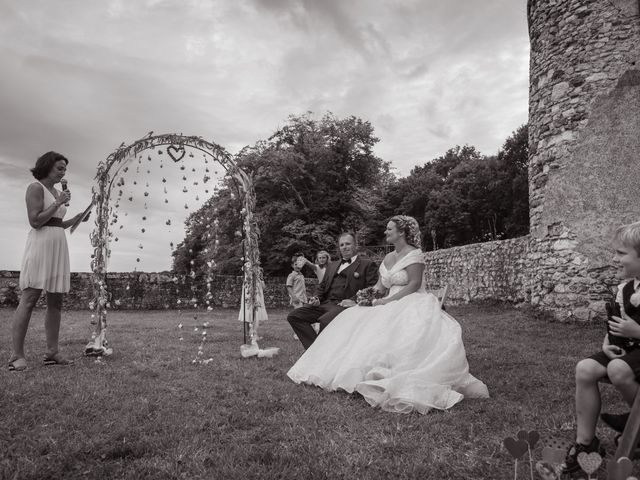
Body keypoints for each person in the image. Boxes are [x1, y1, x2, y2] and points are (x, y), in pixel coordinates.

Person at [287, 216, 489, 414]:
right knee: (354, 316)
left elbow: (414, 285)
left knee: (392, 324)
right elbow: (380, 286)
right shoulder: (388, 257)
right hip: (386, 301)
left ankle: (394, 371)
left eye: (389, 229)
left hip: (412, 301)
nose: (385, 232)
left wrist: (387, 301)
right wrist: (364, 298)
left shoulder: (414, 254)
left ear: (401, 232)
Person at [561, 221, 640, 476]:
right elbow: (616, 327)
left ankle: (636, 425)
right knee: (585, 368)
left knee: (618, 369)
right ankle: (586, 443)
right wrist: (609, 343)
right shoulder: (625, 289)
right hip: (630, 351)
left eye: (621, 253)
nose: (615, 259)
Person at [8, 151, 91, 371]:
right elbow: (35, 221)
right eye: (60, 168)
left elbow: (56, 223)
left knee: (56, 301)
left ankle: (52, 352)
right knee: (30, 298)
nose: (64, 172)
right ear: (47, 167)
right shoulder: (35, 188)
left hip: (58, 245)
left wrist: (76, 218)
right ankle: (17, 355)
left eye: (65, 169)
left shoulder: (56, 192)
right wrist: (57, 203)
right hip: (40, 246)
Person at [287, 233, 377, 349]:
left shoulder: (367, 264)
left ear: (355, 245)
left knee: (325, 320)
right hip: (326, 304)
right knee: (294, 316)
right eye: (342, 245)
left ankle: (318, 353)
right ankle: (315, 350)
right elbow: (322, 286)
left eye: (348, 244)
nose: (344, 247)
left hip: (344, 305)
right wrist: (316, 298)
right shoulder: (332, 265)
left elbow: (372, 289)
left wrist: (354, 301)